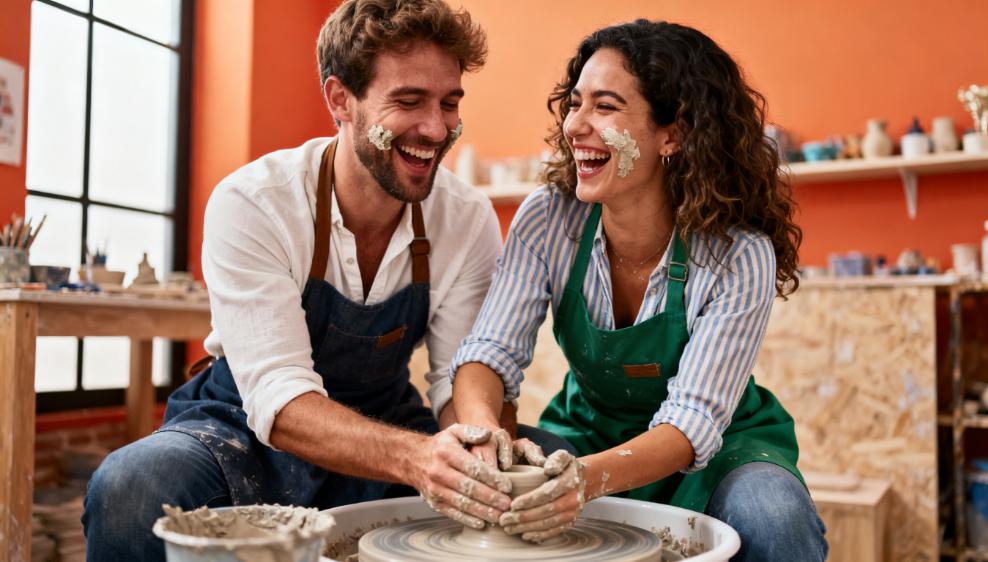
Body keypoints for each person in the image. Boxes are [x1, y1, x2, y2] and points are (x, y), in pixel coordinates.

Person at [82, 1, 568, 559]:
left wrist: (476, 449)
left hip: (386, 414)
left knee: (551, 466)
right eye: (408, 101)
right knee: (132, 484)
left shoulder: (465, 216)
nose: (435, 129)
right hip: (247, 423)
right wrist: (416, 459)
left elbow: (456, 380)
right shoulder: (255, 203)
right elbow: (280, 399)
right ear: (340, 99)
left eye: (449, 103)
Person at [450, 19, 828, 561]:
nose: (575, 125)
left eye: (604, 107)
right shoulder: (549, 219)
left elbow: (689, 423)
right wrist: (483, 431)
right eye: (575, 103)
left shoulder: (737, 254)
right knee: (511, 480)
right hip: (585, 436)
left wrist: (584, 481)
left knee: (773, 517)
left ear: (673, 133)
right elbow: (489, 353)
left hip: (719, 447)